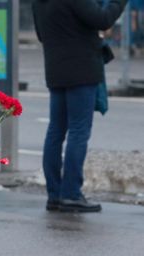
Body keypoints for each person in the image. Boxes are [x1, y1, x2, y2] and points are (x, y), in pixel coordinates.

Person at [33, 0, 128, 213]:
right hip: (82, 70)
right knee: (78, 131)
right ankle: (71, 194)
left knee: (55, 131)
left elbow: (41, 35)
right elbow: (102, 20)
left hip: (56, 70)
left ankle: (55, 195)